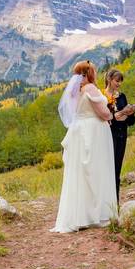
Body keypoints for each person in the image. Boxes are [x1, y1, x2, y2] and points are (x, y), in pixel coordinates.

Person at [51, 61, 117, 233]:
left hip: (79, 132)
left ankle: (80, 214)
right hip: (93, 132)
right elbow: (103, 114)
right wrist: (113, 113)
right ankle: (97, 214)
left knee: (81, 173)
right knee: (96, 170)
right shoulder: (90, 89)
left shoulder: (75, 91)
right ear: (89, 73)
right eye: (94, 71)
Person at [105, 69, 135, 201]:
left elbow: (131, 122)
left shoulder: (122, 97)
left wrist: (131, 113)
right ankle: (106, 201)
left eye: (120, 82)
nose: (119, 84)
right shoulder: (102, 96)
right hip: (107, 136)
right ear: (109, 79)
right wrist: (114, 116)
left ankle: (115, 202)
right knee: (107, 169)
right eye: (117, 81)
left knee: (117, 168)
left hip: (121, 136)